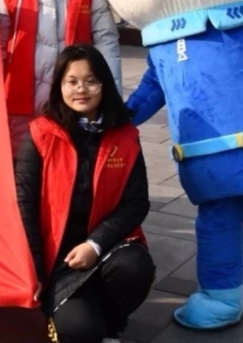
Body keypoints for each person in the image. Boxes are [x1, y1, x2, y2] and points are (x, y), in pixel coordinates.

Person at [15, 45, 154, 343]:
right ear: (59, 86)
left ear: (104, 85)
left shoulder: (125, 136)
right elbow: (23, 203)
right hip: (58, 260)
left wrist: (95, 244)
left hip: (106, 248)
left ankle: (111, 323)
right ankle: (85, 318)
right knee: (78, 333)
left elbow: (137, 203)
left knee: (135, 268)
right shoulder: (41, 133)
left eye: (90, 81)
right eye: (72, 81)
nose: (81, 89)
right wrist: (35, 269)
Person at [0, 0, 121, 153]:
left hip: (75, 96)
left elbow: (105, 38)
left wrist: (113, 94)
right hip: (21, 98)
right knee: (24, 164)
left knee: (69, 162)